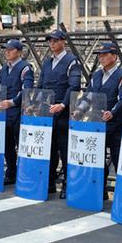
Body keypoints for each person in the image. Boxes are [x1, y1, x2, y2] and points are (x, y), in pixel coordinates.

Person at [81, 42, 122, 199]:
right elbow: (88, 95)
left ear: (115, 56)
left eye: (105, 54)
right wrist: (79, 110)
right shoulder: (97, 75)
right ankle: (99, 190)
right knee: (96, 158)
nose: (101, 57)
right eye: (99, 55)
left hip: (115, 125)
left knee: (117, 160)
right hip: (96, 123)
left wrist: (113, 112)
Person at [36, 30, 81, 199]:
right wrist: (34, 104)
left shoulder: (72, 61)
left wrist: (63, 104)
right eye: (50, 41)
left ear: (63, 42)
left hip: (62, 114)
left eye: (55, 40)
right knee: (49, 149)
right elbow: (40, 85)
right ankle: (49, 184)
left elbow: (74, 86)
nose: (52, 43)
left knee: (65, 150)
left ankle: (68, 185)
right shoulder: (47, 62)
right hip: (47, 113)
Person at [0, 39, 34, 185]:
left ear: (19, 51)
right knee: (7, 144)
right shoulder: (5, 68)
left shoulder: (25, 68)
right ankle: (11, 172)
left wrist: (13, 102)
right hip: (4, 111)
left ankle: (23, 173)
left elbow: (26, 90)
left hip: (17, 111)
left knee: (20, 144)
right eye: (5, 49)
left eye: (10, 49)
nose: (7, 52)